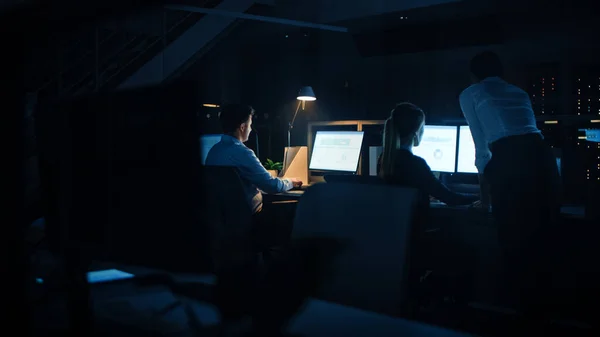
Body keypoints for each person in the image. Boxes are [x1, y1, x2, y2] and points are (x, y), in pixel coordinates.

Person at [459, 51, 561, 317]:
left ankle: (515, 313)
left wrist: (485, 200)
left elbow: (482, 148)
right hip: (542, 157)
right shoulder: (518, 92)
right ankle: (545, 312)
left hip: (511, 161)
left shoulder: (471, 93)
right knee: (544, 237)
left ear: (473, 75)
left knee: (514, 243)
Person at [205, 104, 302, 214]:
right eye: (250, 125)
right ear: (242, 127)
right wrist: (291, 182)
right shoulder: (243, 153)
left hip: (222, 218)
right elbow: (272, 186)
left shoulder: (214, 151)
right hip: (249, 217)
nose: (251, 129)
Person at [379, 102, 479, 206]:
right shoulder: (415, 164)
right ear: (416, 133)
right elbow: (450, 198)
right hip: (417, 221)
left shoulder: (384, 159)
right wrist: (482, 197)